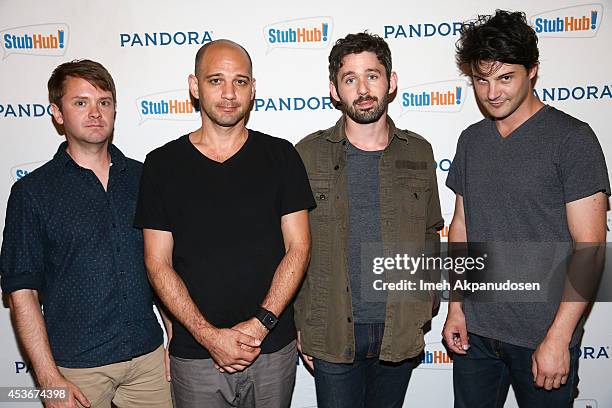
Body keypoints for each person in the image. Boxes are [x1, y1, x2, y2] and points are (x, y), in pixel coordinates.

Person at [134, 39, 315, 408]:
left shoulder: (281, 155)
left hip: (271, 348)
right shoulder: (161, 165)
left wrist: (259, 324)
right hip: (196, 353)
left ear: (253, 89)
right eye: (216, 80)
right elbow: (157, 263)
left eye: (241, 81)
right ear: (194, 86)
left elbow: (299, 247)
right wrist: (209, 336)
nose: (230, 93)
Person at [443, 10, 610, 408]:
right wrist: (456, 308)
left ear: (532, 71)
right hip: (478, 339)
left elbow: (590, 249)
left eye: (505, 78)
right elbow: (462, 227)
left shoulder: (572, 139)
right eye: (481, 80)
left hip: (543, 335)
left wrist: (558, 338)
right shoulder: (472, 140)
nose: (492, 92)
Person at [0, 59, 171, 408]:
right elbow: (22, 293)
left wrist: (175, 341)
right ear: (57, 113)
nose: (95, 112)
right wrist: (49, 380)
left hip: (149, 359)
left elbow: (162, 265)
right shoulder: (32, 193)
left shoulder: (143, 179)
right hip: (76, 369)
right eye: (81, 102)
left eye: (104, 102)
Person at [294, 32, 444, 408]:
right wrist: (302, 323)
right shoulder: (307, 155)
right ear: (334, 89)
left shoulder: (420, 151)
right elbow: (290, 245)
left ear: (391, 82)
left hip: (399, 329)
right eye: (350, 79)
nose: (362, 88)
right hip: (330, 331)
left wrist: (425, 303)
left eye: (372, 76)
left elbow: (430, 231)